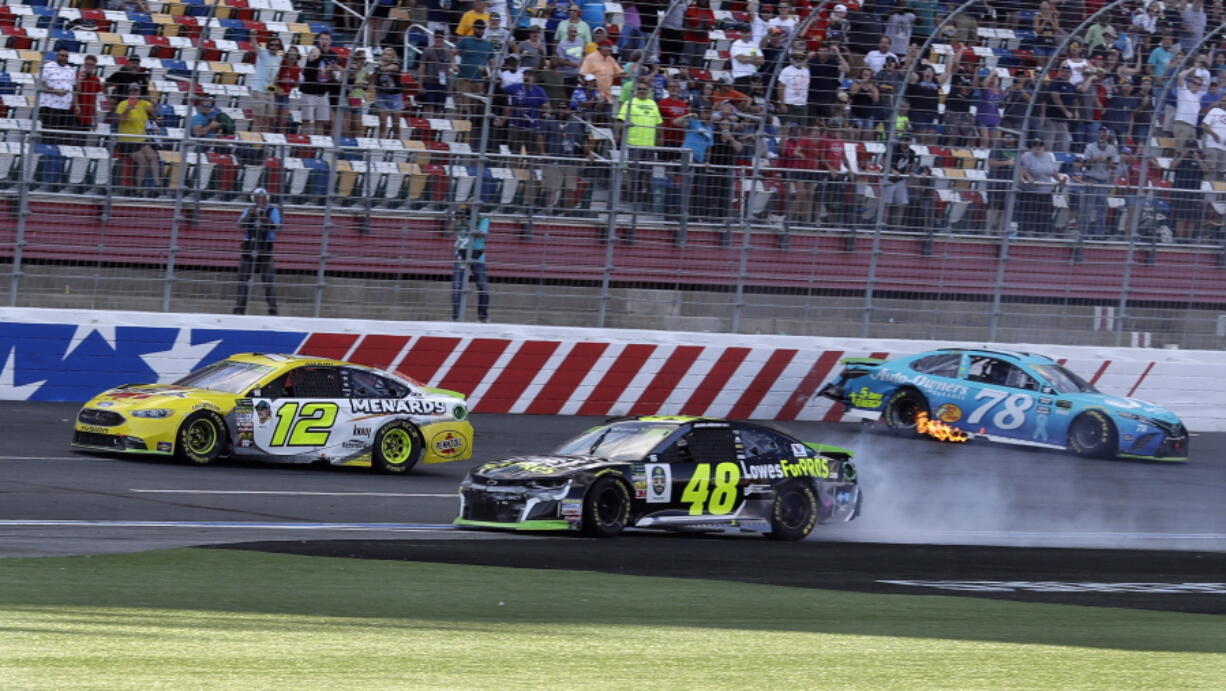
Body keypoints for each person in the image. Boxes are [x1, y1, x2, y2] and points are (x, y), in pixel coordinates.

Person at [233, 188, 281, 316]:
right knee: (243, 279)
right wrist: (250, 214)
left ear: (266, 198)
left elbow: (275, 226)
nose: (260, 200)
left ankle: (273, 309)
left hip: (265, 247)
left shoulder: (272, 210)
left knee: (268, 280)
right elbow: (241, 224)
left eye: (262, 197)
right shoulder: (248, 210)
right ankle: (240, 308)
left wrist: (263, 216)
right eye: (257, 197)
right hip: (249, 246)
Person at [110, 84, 159, 194]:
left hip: (140, 139)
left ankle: (157, 185)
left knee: (153, 157)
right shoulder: (123, 104)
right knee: (143, 162)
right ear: (129, 92)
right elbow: (119, 120)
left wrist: (153, 104)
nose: (134, 93)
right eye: (132, 91)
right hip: (127, 140)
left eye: (136, 91)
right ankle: (138, 190)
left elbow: (154, 113)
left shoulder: (143, 104)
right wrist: (127, 110)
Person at [1078, 128, 1120, 239]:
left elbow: (1115, 165)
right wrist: (1094, 160)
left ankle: (1099, 234)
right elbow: (1084, 164)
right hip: (1092, 179)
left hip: (1104, 180)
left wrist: (1107, 161)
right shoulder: (1090, 147)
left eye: (1105, 134)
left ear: (1108, 136)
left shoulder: (1112, 149)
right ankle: (1084, 234)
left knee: (1102, 209)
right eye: (1101, 134)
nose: (1103, 136)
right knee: (1088, 208)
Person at [452, 207, 490, 322]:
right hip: (461, 255)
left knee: (483, 286)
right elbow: (450, 231)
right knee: (457, 286)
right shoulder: (461, 219)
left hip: (477, 256)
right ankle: (456, 317)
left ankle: (483, 316)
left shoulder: (483, 219)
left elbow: (481, 234)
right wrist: (455, 219)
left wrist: (465, 223)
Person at [1018, 138, 1060, 236]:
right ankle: (1026, 233)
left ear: (1043, 146)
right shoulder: (1027, 156)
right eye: (1035, 145)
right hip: (1031, 191)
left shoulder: (1049, 156)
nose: (1037, 147)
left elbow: (1053, 171)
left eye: (1040, 145)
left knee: (1044, 213)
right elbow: (1022, 169)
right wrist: (1028, 177)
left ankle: (1041, 233)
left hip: (1045, 190)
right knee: (1029, 213)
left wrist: (1060, 180)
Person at [39, 47, 77, 145]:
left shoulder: (71, 70)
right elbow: (39, 83)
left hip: (65, 108)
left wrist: (76, 104)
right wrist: (55, 91)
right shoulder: (48, 67)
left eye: (66, 56)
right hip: (50, 106)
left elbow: (73, 88)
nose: (64, 58)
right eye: (62, 55)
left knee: (60, 136)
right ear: (57, 56)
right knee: (48, 134)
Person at [248, 37, 284, 132]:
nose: (273, 47)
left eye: (276, 45)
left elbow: (272, 79)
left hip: (269, 91)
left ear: (279, 47)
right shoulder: (263, 53)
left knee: (268, 120)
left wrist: (275, 90)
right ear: (268, 45)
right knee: (258, 119)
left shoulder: (279, 59)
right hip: (258, 90)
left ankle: (263, 144)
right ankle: (254, 144)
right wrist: (253, 35)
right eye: (271, 44)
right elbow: (255, 45)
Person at [374, 49, 403, 139]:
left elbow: (391, 68)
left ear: (393, 57)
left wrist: (381, 68)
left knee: (396, 125)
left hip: (395, 96)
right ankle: (381, 142)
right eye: (385, 54)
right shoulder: (377, 67)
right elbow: (373, 80)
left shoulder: (396, 65)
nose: (386, 56)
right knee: (382, 123)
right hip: (381, 95)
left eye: (389, 55)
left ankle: (396, 144)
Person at [74, 55, 103, 133]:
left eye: (91, 64)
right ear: (84, 65)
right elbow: (75, 92)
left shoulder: (96, 80)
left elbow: (94, 100)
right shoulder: (78, 76)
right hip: (76, 114)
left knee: (83, 141)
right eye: (87, 64)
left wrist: (95, 120)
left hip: (88, 117)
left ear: (95, 66)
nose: (89, 66)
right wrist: (79, 81)